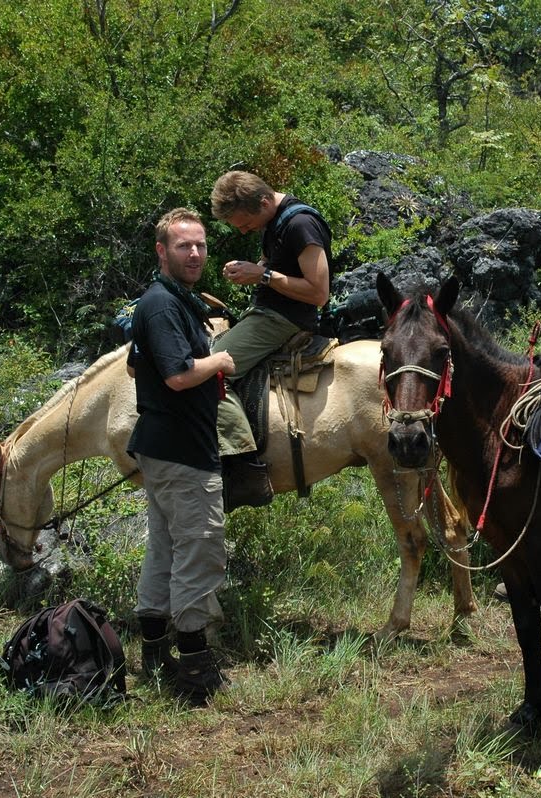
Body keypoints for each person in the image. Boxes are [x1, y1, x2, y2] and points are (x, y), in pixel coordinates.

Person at [126, 207, 234, 703]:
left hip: (161, 447)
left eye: (200, 245)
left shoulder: (167, 302)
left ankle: (153, 651)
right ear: (162, 251)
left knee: (165, 548)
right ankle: (194, 667)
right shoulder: (163, 305)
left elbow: (134, 367)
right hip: (183, 452)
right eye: (183, 245)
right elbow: (176, 375)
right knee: (200, 548)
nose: (194, 253)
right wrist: (219, 359)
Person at [208, 170, 333, 511]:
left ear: (263, 201)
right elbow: (281, 268)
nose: (243, 230)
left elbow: (319, 293)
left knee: (210, 371)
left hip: (283, 320)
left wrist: (261, 274)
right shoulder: (274, 223)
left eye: (245, 224)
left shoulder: (300, 225)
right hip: (269, 314)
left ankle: (243, 465)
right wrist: (252, 268)